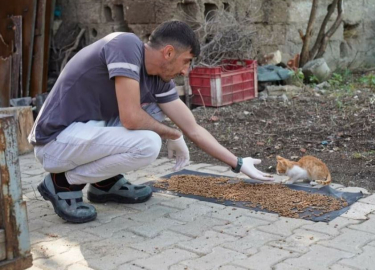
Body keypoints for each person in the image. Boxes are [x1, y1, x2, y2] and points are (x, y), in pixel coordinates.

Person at [28, 20, 273, 224]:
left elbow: (193, 128)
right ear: (168, 52)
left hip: (84, 137)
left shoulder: (158, 79)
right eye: (186, 61)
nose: (185, 71)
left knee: (154, 113)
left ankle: (104, 183)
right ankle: (61, 182)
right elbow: (131, 118)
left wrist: (238, 164)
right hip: (55, 142)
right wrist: (172, 135)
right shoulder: (125, 45)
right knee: (148, 142)